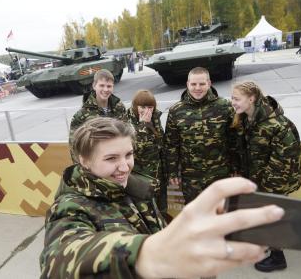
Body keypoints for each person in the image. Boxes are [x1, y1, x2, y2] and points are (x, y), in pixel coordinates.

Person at [40, 117, 285, 278]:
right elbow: (57, 261)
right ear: (84, 161)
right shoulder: (70, 207)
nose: (125, 167)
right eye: (111, 158)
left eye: (128, 154)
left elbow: (159, 230)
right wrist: (146, 255)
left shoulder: (137, 188)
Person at [231, 81, 301, 272]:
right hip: (257, 180)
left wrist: (267, 193)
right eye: (232, 98)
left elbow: (284, 162)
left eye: (237, 99)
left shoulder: (277, 125)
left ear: (251, 98)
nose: (233, 103)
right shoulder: (246, 119)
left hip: (275, 182)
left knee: (272, 218)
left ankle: (278, 258)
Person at [165, 67, 237, 204]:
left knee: (222, 212)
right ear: (187, 84)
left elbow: (234, 140)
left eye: (202, 84)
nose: (197, 88)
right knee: (196, 216)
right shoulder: (176, 111)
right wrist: (172, 172)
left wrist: (236, 167)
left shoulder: (225, 106)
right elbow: (171, 144)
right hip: (191, 178)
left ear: (209, 83)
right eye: (193, 84)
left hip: (220, 174)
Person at [69, 69, 127, 161]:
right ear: (94, 86)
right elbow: (75, 146)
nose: (105, 89)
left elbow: (127, 134)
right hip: (96, 163)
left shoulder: (119, 108)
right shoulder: (82, 115)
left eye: (109, 86)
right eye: (102, 85)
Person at [127, 90, 167, 216]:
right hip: (140, 178)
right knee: (146, 214)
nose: (146, 111)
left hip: (158, 177)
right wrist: (143, 125)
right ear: (135, 107)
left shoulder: (155, 119)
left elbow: (161, 145)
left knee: (161, 212)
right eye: (142, 107)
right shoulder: (127, 122)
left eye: (150, 107)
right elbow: (134, 149)